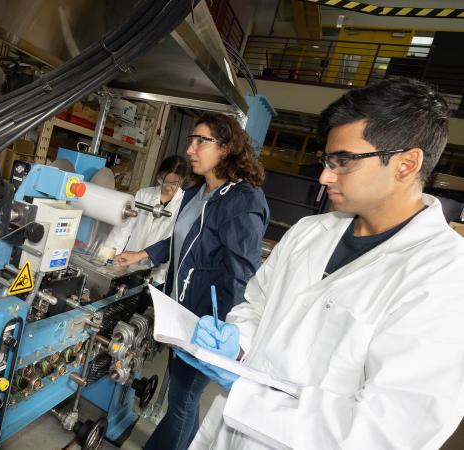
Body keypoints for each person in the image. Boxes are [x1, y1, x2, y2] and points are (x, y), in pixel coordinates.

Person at [182, 78, 464, 450]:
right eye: (327, 160)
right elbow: (256, 306)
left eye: (343, 162)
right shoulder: (309, 232)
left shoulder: (444, 277)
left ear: (406, 163)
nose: (325, 176)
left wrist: (250, 393)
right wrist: (237, 345)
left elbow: (388, 433)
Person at [115, 113, 269, 450]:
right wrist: (139, 255)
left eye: (201, 141)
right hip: (179, 313)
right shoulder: (198, 192)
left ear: (226, 147)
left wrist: (231, 334)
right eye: (191, 140)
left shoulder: (242, 200)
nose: (190, 149)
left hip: (206, 323)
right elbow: (178, 241)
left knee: (182, 399)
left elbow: (244, 274)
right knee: (182, 397)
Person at [104, 155, 189, 284]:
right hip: (127, 263)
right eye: (163, 180)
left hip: (157, 272)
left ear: (182, 181)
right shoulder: (144, 194)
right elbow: (123, 230)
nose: (166, 187)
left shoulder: (184, 204)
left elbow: (173, 243)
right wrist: (108, 256)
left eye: (173, 183)